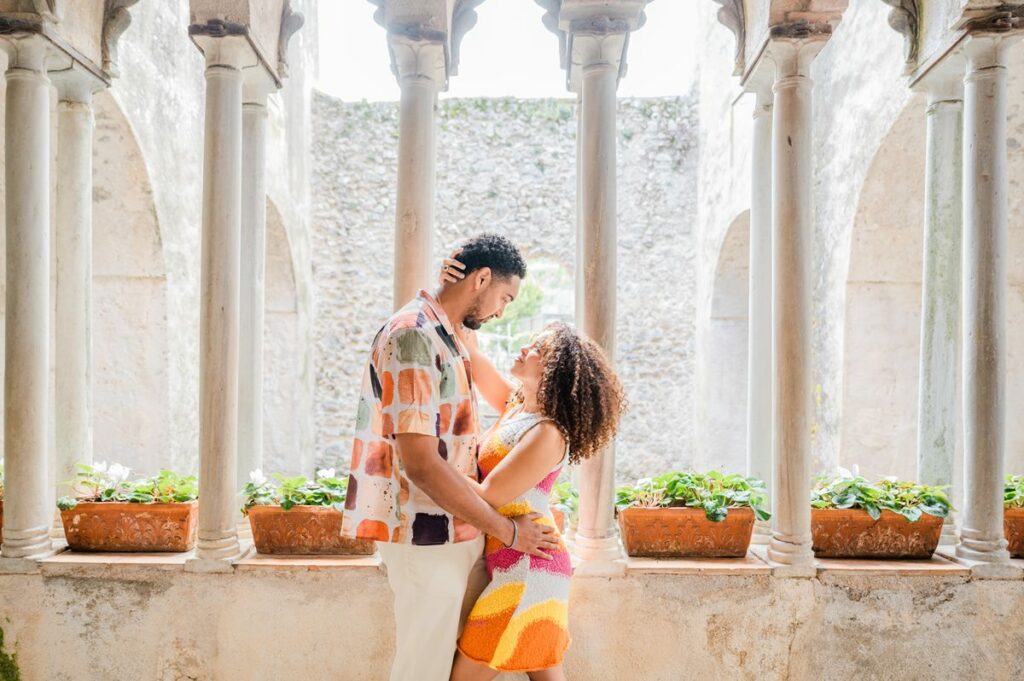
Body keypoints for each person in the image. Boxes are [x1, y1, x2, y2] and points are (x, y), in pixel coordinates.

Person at [341, 234, 560, 681]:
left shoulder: (446, 335)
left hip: (454, 531)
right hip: (423, 534)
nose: (502, 311)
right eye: (504, 296)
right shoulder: (414, 337)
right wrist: (507, 531)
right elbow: (421, 463)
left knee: (443, 666)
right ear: (482, 278)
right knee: (422, 669)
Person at [442, 264, 627, 680]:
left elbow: (489, 496)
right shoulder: (516, 407)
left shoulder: (548, 434)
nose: (525, 348)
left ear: (555, 371)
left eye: (538, 349)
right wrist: (455, 281)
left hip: (528, 568)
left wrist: (428, 465)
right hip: (521, 560)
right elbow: (469, 349)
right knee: (546, 673)